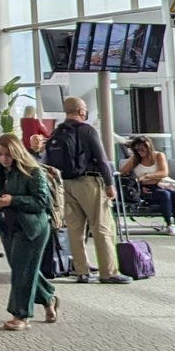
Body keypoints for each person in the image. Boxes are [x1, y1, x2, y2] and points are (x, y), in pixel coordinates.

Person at [43, 97, 127, 283]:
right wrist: (109, 183)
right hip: (89, 183)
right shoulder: (87, 130)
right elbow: (102, 159)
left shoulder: (57, 132)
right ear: (81, 110)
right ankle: (109, 272)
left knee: (75, 229)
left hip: (65, 185)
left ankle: (82, 271)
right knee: (102, 226)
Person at [0, 132, 57, 330]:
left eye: (7, 154)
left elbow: (41, 202)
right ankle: (48, 296)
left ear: (16, 153)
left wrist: (13, 200)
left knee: (22, 271)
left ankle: (21, 315)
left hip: (33, 227)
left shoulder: (33, 171)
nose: (3, 158)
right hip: (8, 227)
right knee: (22, 268)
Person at [121, 136, 175, 235]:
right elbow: (122, 172)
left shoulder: (158, 156)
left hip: (161, 184)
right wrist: (137, 184)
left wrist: (147, 176)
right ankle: (169, 224)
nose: (140, 152)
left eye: (142, 149)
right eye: (137, 150)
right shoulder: (135, 159)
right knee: (165, 195)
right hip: (145, 189)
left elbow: (163, 172)